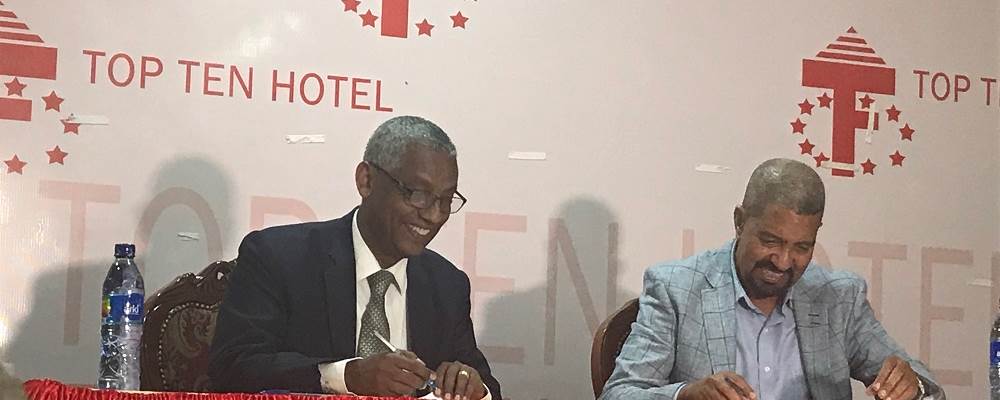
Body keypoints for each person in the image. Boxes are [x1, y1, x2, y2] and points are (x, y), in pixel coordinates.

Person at [600, 158, 944, 400]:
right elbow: (620, 393)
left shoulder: (839, 298)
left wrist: (912, 387)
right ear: (740, 221)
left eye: (802, 247)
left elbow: (926, 386)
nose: (783, 261)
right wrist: (684, 395)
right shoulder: (676, 289)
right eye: (770, 241)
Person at [209, 116, 501, 400]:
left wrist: (473, 388)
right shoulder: (279, 258)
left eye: (446, 200)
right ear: (366, 180)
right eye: (418, 194)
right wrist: (346, 377)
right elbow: (232, 367)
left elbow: (486, 387)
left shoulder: (446, 285)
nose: (434, 215)